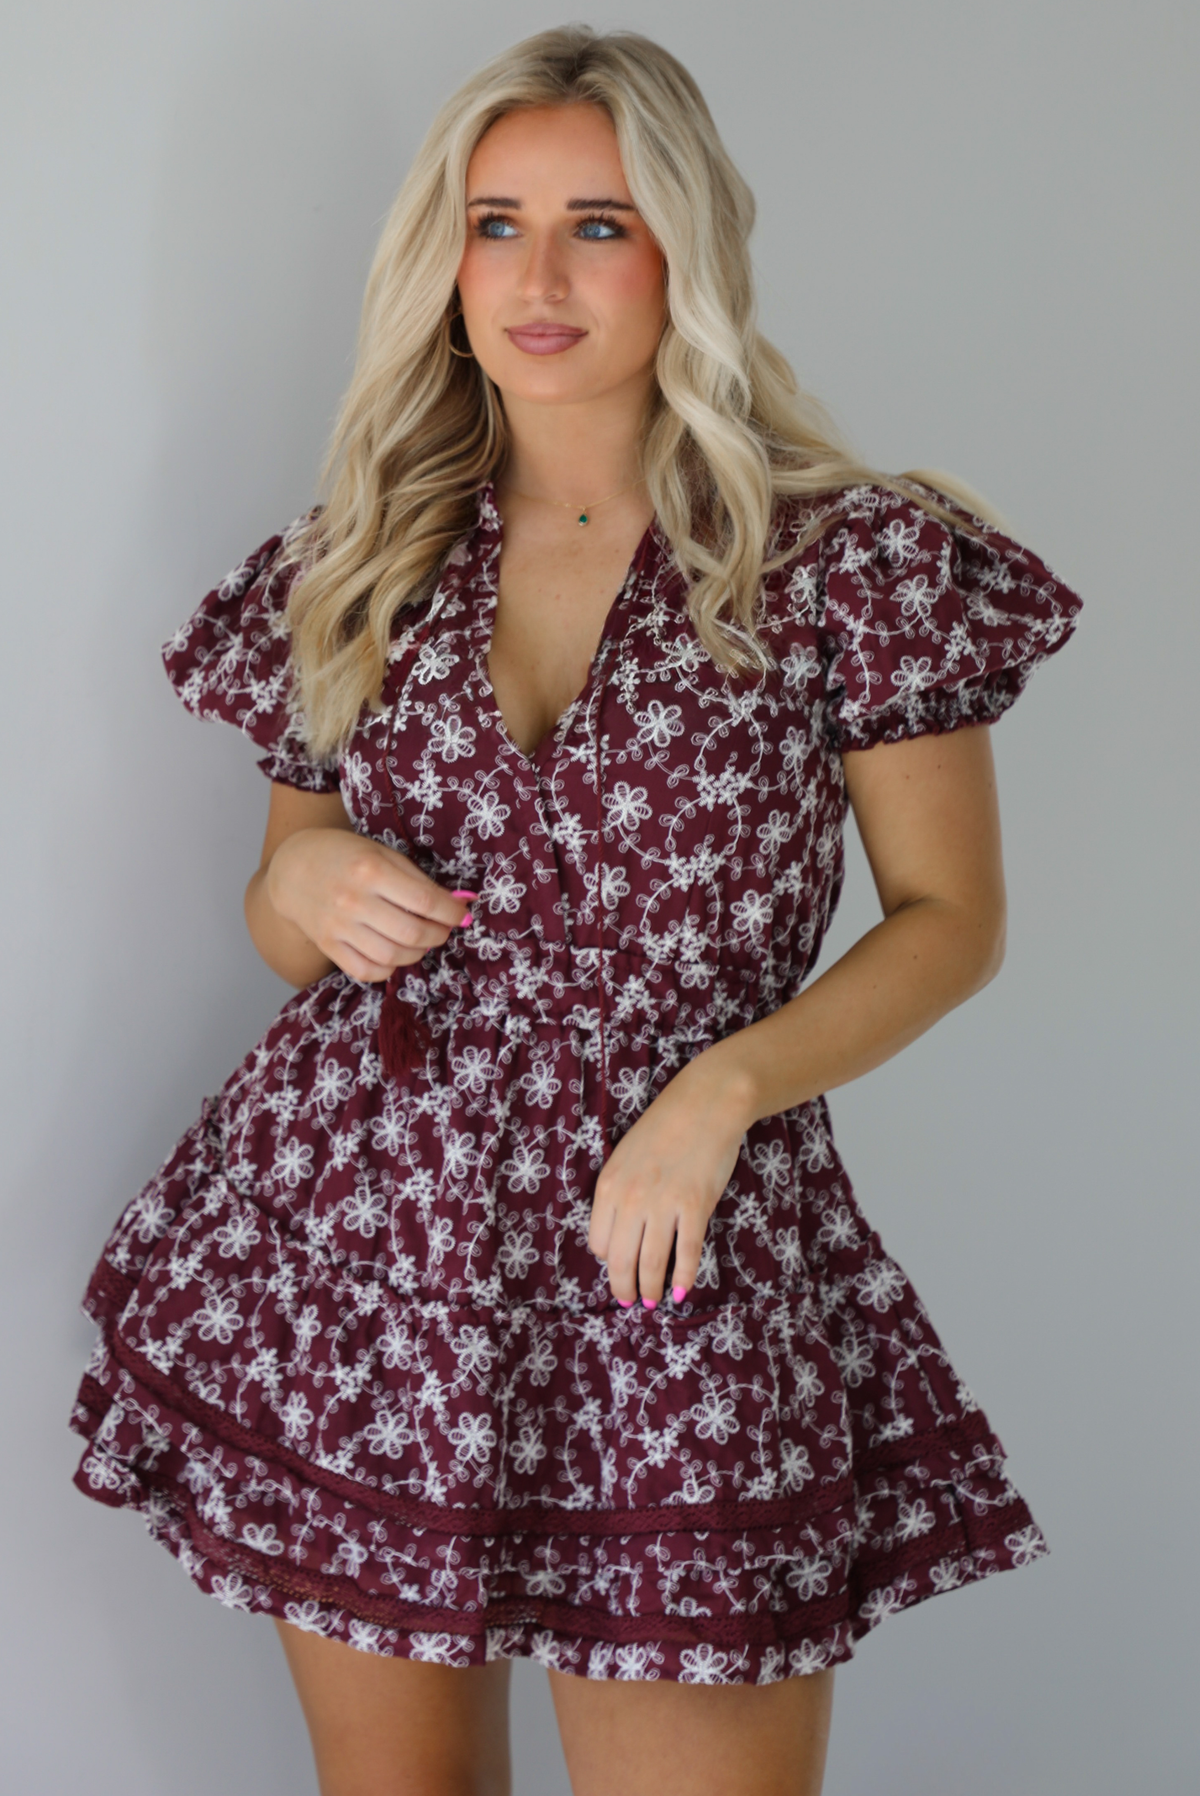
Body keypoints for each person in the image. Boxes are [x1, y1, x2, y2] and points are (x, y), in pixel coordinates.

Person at [70, 24, 1081, 1796]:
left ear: (686, 248)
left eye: (600, 225)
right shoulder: (362, 554)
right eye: (497, 222)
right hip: (368, 1256)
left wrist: (718, 1096)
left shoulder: (849, 560)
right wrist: (297, 873)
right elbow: (283, 913)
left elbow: (947, 917)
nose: (539, 277)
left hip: (672, 1256)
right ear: (442, 260)